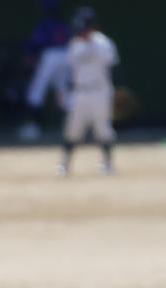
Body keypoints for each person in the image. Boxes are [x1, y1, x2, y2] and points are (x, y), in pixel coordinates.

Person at [58, 7, 117, 176]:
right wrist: (65, 90)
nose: (81, 32)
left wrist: (116, 89)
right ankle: (64, 164)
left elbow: (112, 67)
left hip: (99, 90)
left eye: (84, 28)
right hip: (79, 92)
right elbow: (71, 71)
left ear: (92, 27)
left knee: (103, 128)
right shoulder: (74, 44)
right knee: (72, 128)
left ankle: (107, 164)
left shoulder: (103, 43)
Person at [17, 0, 70, 141]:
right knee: (62, 90)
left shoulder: (45, 24)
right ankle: (74, 126)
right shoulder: (63, 24)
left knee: (36, 90)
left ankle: (32, 127)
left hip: (51, 55)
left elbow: (36, 42)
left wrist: (29, 55)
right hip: (65, 55)